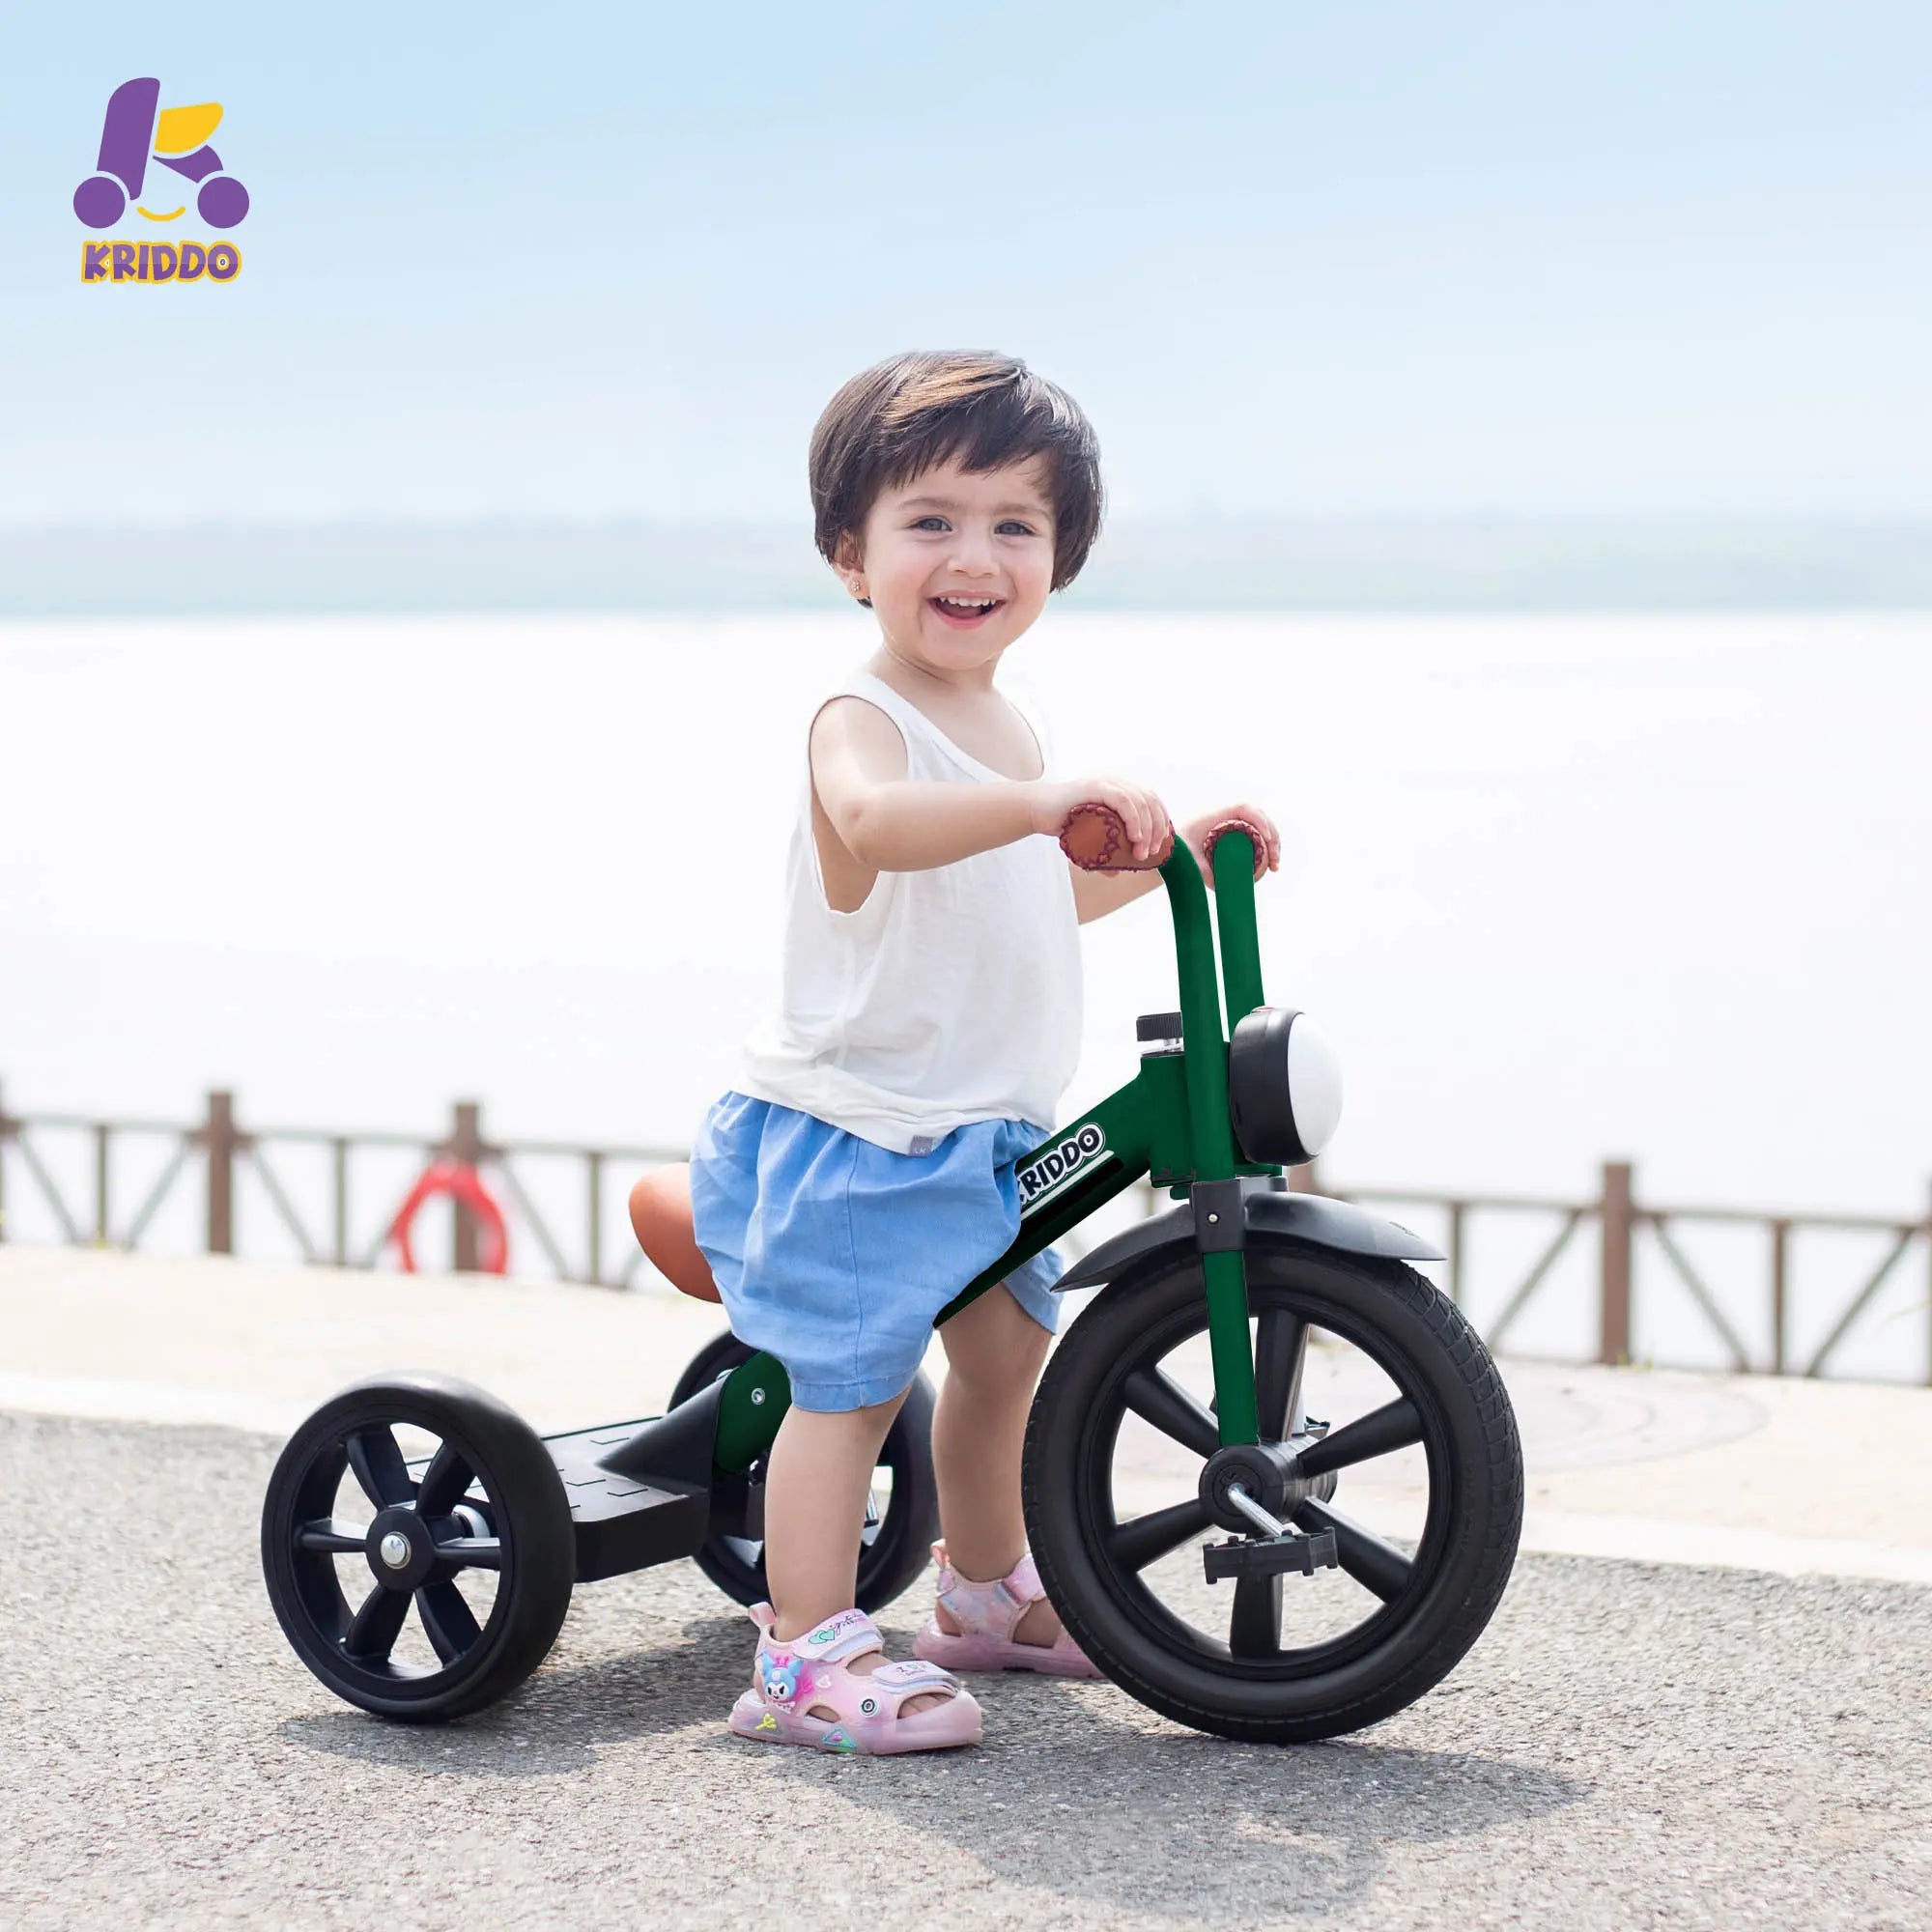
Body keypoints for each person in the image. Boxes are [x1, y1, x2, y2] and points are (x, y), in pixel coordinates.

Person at [688, 349, 1281, 1755]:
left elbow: (1032, 895)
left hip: (981, 1130)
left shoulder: (1004, 725)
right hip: (859, 1131)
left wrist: (1169, 860)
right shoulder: (863, 718)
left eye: (1015, 524)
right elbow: (882, 827)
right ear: (851, 557)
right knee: (853, 1386)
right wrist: (1033, 800)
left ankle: (980, 1594)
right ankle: (801, 1657)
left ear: (1060, 558)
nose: (975, 556)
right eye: (931, 522)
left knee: (1007, 1354)